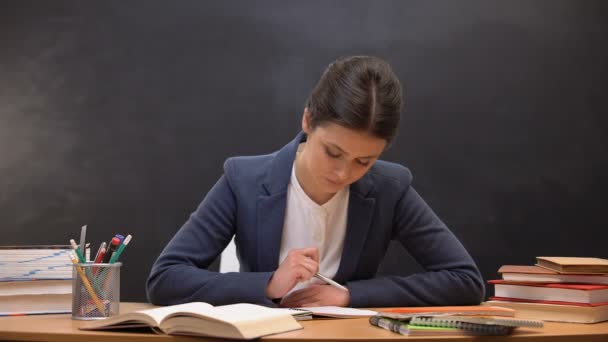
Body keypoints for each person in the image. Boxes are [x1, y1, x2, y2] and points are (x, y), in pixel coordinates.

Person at [146, 56, 485, 308]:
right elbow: (165, 278)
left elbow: (465, 280)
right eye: (332, 152)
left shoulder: (389, 188)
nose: (342, 173)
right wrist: (268, 285)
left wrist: (351, 295)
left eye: (363, 161)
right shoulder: (244, 180)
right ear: (308, 120)